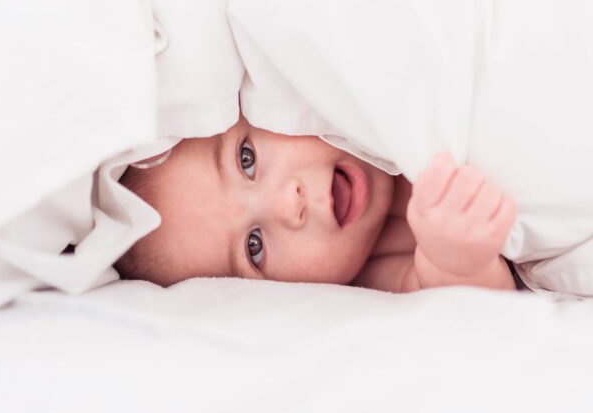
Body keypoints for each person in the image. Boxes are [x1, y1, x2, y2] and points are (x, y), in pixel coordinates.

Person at [116, 116, 517, 292]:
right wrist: (457, 263)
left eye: (246, 159)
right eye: (254, 247)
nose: (288, 204)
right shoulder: (376, 272)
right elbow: (472, 309)